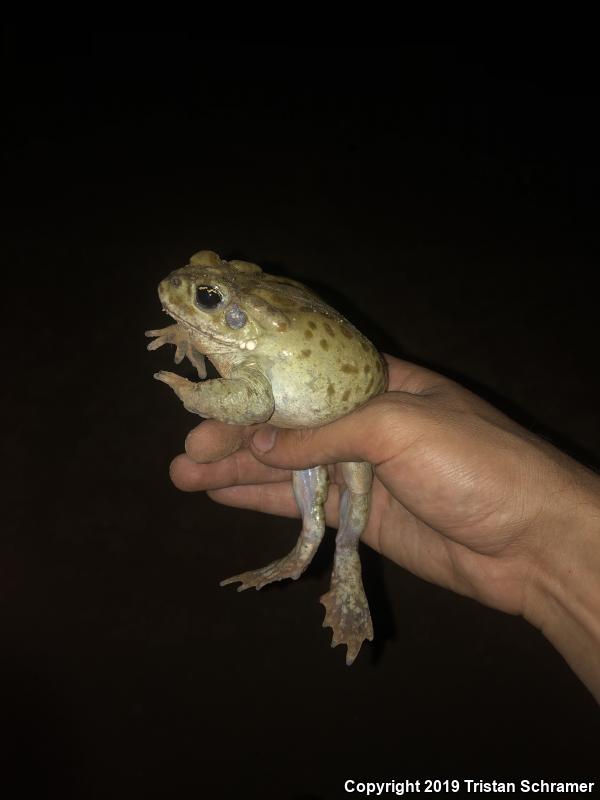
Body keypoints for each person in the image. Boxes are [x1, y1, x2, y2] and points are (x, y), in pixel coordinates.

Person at [169, 354, 600, 701]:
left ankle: (314, 559)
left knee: (346, 500)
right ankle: (306, 558)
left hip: (332, 406)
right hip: (320, 394)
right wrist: (542, 546)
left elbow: (249, 403)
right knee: (330, 501)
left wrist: (191, 392)